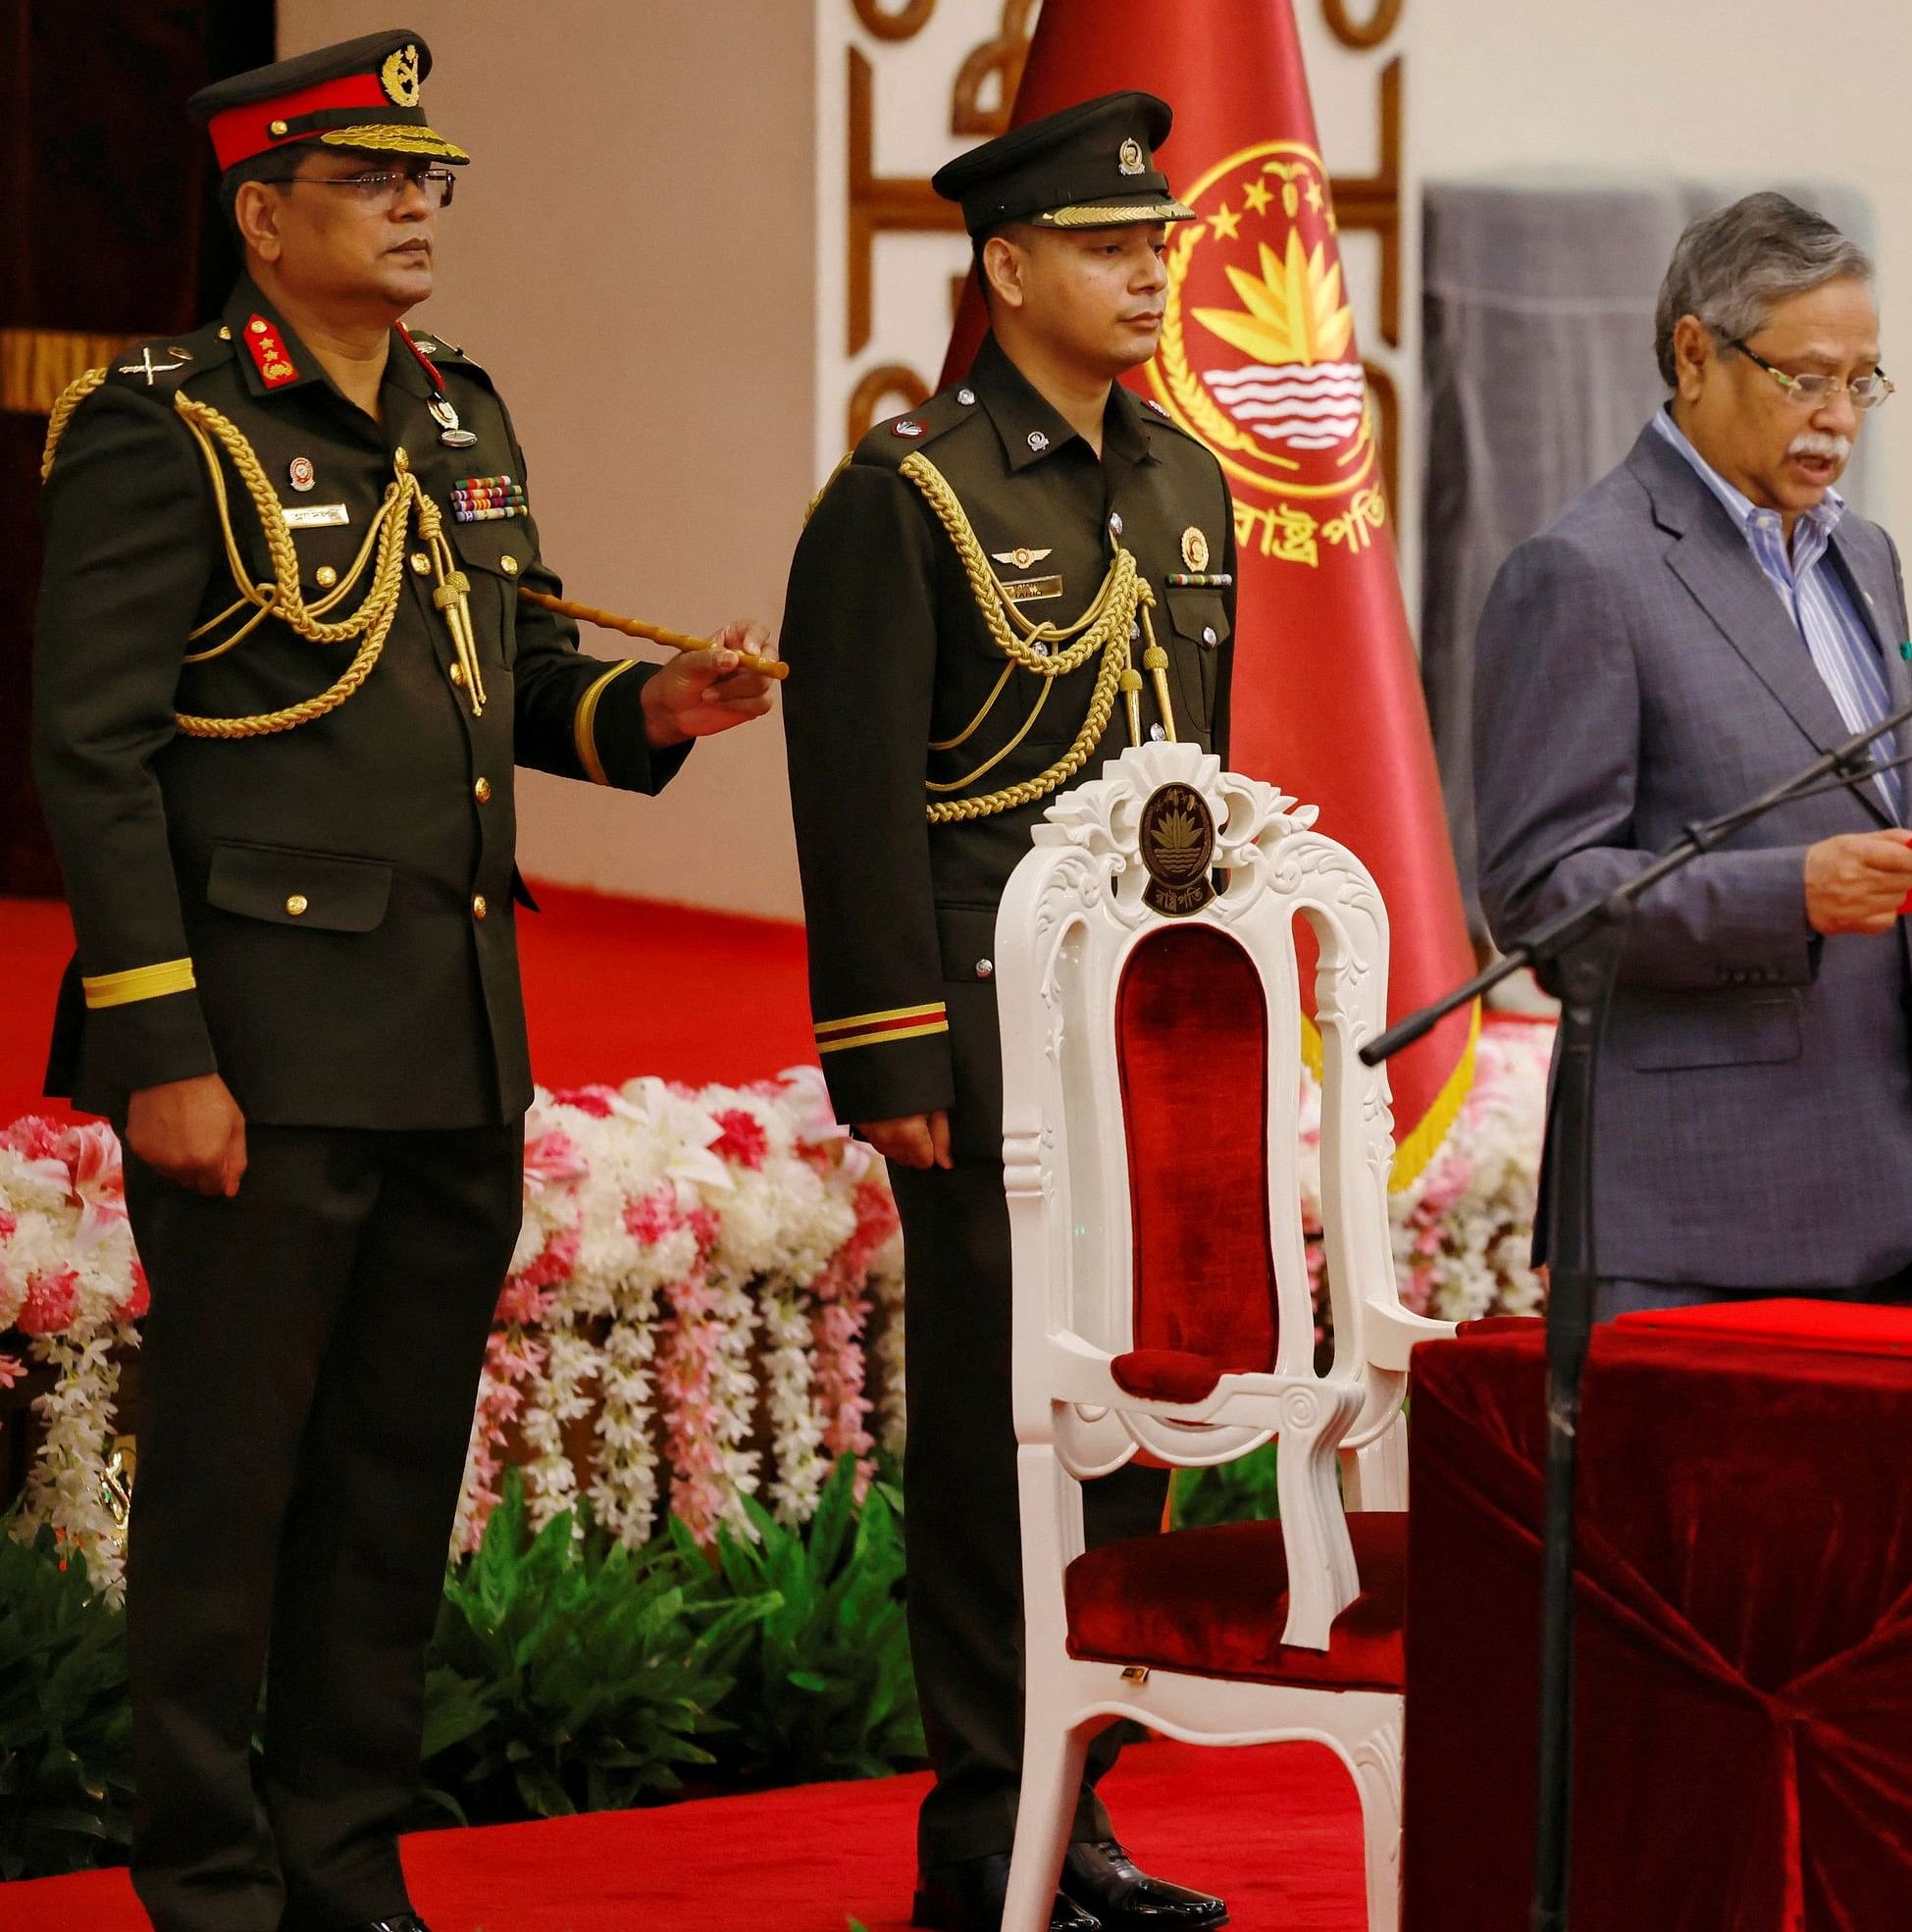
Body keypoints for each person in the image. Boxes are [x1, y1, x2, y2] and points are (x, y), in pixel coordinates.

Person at [28, 32, 777, 1932]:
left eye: (430, 179)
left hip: (450, 1033)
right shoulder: (166, 425)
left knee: (384, 1488)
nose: (419, 205)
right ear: (263, 216)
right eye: (373, 180)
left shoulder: (458, 412)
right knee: (230, 1490)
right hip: (262, 1049)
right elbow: (92, 758)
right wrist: (162, 1049)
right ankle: (206, 1877)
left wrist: (647, 712)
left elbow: (497, 680)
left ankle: (345, 1861)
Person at [778, 93, 1230, 1932]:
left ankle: (1082, 1809)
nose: (1148, 272)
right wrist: (891, 1055)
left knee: (1135, 1417)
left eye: (1159, 246)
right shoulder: (914, 494)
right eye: (1112, 245)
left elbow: (1213, 797)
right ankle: (984, 1827)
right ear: (1009, 264)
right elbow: (857, 791)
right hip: (984, 1042)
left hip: (1159, 1045)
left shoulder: (1186, 479)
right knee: (999, 1435)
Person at [1472, 192, 1912, 1317]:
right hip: (1695, 1220)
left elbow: (1878, 847)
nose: (1837, 418)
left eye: (1862, 381)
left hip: (1884, 1190)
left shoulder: (1863, 558)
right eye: (1804, 377)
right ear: (1694, 353)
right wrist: (1788, 893)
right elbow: (1541, 903)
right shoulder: (1583, 572)